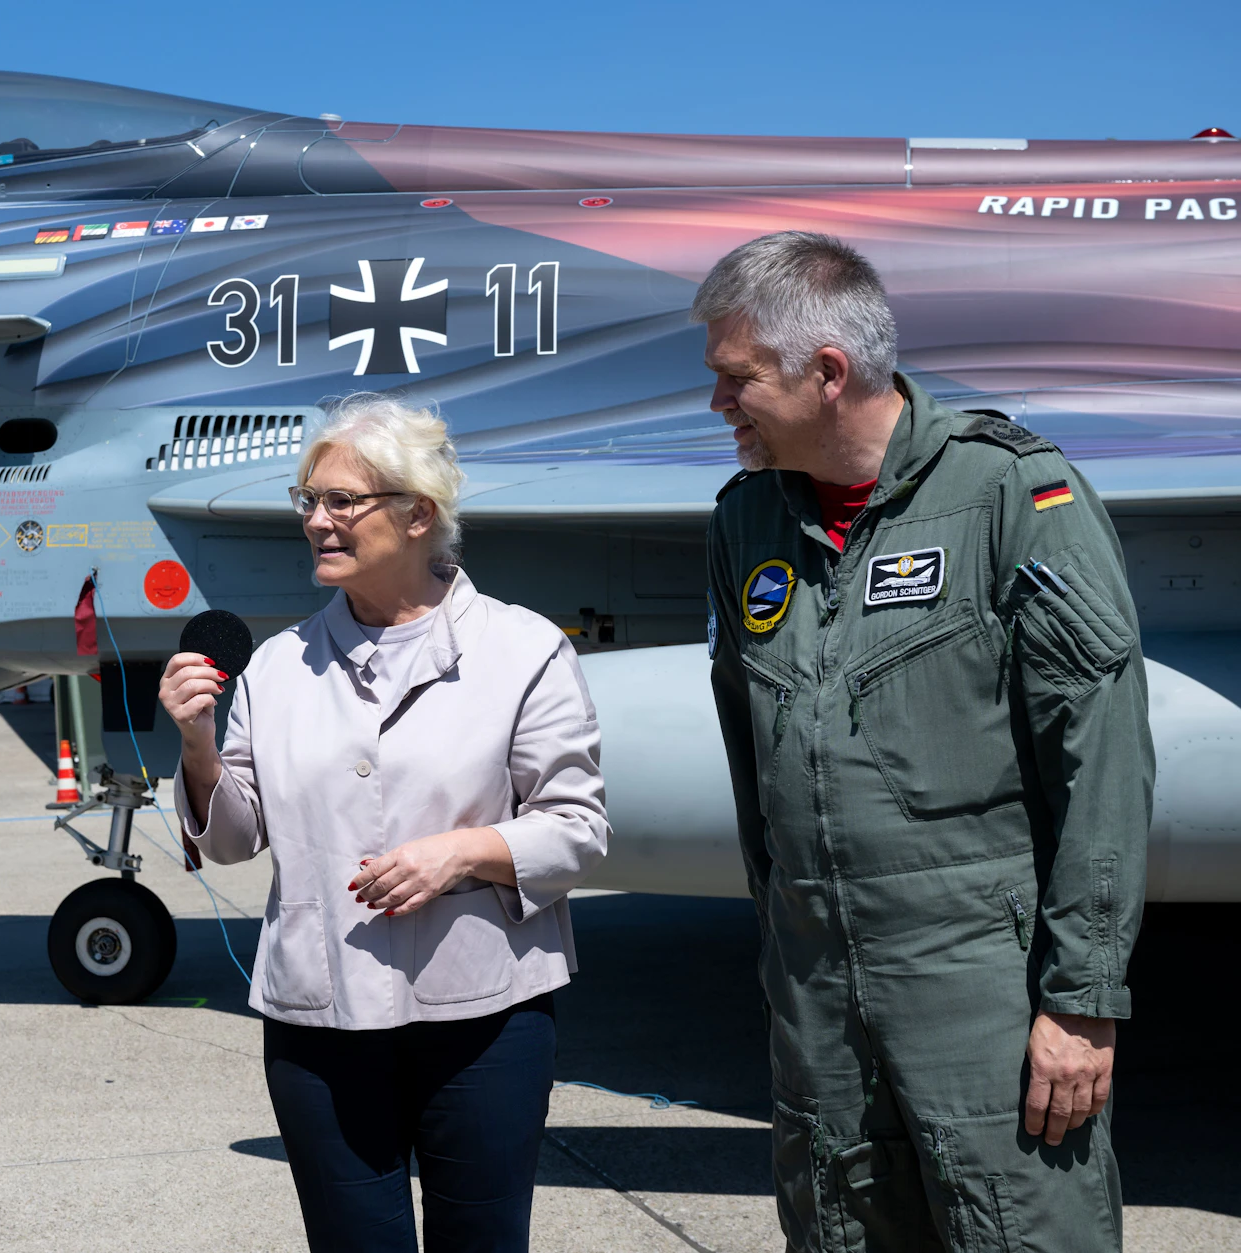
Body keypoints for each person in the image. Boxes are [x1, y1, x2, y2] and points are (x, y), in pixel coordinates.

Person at [698, 232, 1151, 1252]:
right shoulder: (743, 523)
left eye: (735, 380)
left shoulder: (1010, 496)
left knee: (1016, 1229)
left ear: (825, 372)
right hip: (815, 997)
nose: (718, 405)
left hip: (975, 984)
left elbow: (1100, 755)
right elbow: (751, 762)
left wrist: (1079, 998)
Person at [158, 394, 608, 1253]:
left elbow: (578, 827)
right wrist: (197, 746)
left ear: (418, 514)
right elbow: (229, 839)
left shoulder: (524, 651)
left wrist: (467, 852)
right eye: (308, 501)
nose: (317, 521)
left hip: (485, 1018)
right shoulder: (277, 667)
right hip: (318, 1023)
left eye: (341, 501)